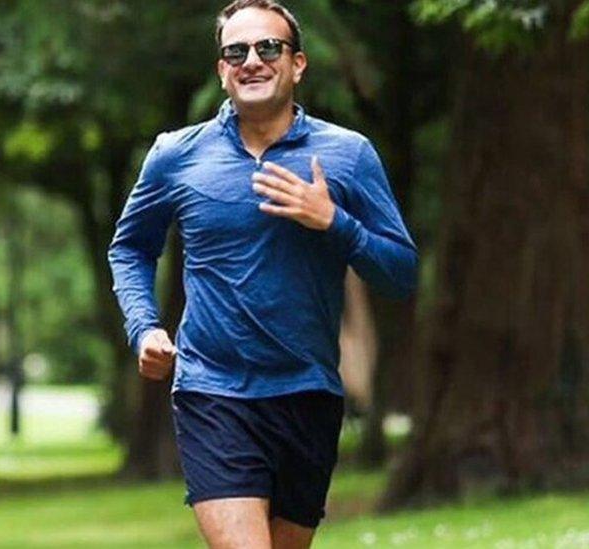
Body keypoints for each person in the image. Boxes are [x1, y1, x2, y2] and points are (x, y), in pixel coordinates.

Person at [108, 1, 417, 547]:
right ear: (221, 69)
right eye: (236, 51)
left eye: (268, 48)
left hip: (308, 393)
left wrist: (334, 223)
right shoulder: (176, 155)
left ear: (297, 64)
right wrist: (145, 327)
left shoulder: (347, 155)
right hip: (213, 390)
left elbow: (401, 274)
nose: (252, 60)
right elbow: (130, 248)